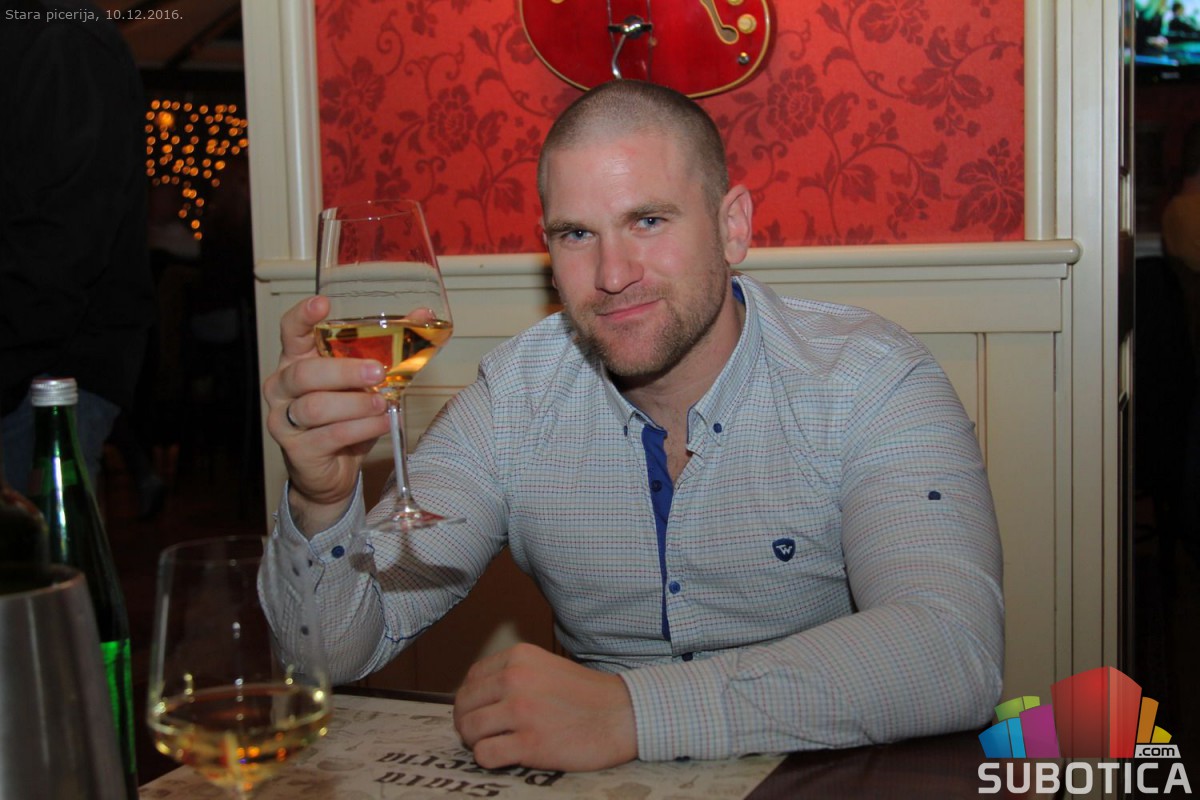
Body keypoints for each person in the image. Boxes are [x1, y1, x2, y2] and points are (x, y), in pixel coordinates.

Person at [259, 80, 1004, 771]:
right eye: (576, 234)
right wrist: (321, 503)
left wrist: (630, 713)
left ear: (732, 227)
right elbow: (329, 658)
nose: (613, 275)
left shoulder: (869, 379)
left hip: (829, 773)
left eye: (648, 221)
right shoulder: (514, 400)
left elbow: (953, 650)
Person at [0, 0, 155, 492]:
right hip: (34, 368)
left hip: (43, 381)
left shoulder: (60, 33)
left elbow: (63, 246)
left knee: (39, 542)